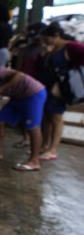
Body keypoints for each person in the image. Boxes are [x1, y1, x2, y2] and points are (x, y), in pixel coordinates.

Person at [34, 22, 84, 161]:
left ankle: (52, 149)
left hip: (59, 88)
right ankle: (44, 146)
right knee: (46, 117)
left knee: (56, 118)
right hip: (46, 87)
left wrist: (71, 72)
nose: (44, 41)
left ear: (56, 35)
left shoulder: (71, 46)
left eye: (47, 38)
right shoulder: (52, 48)